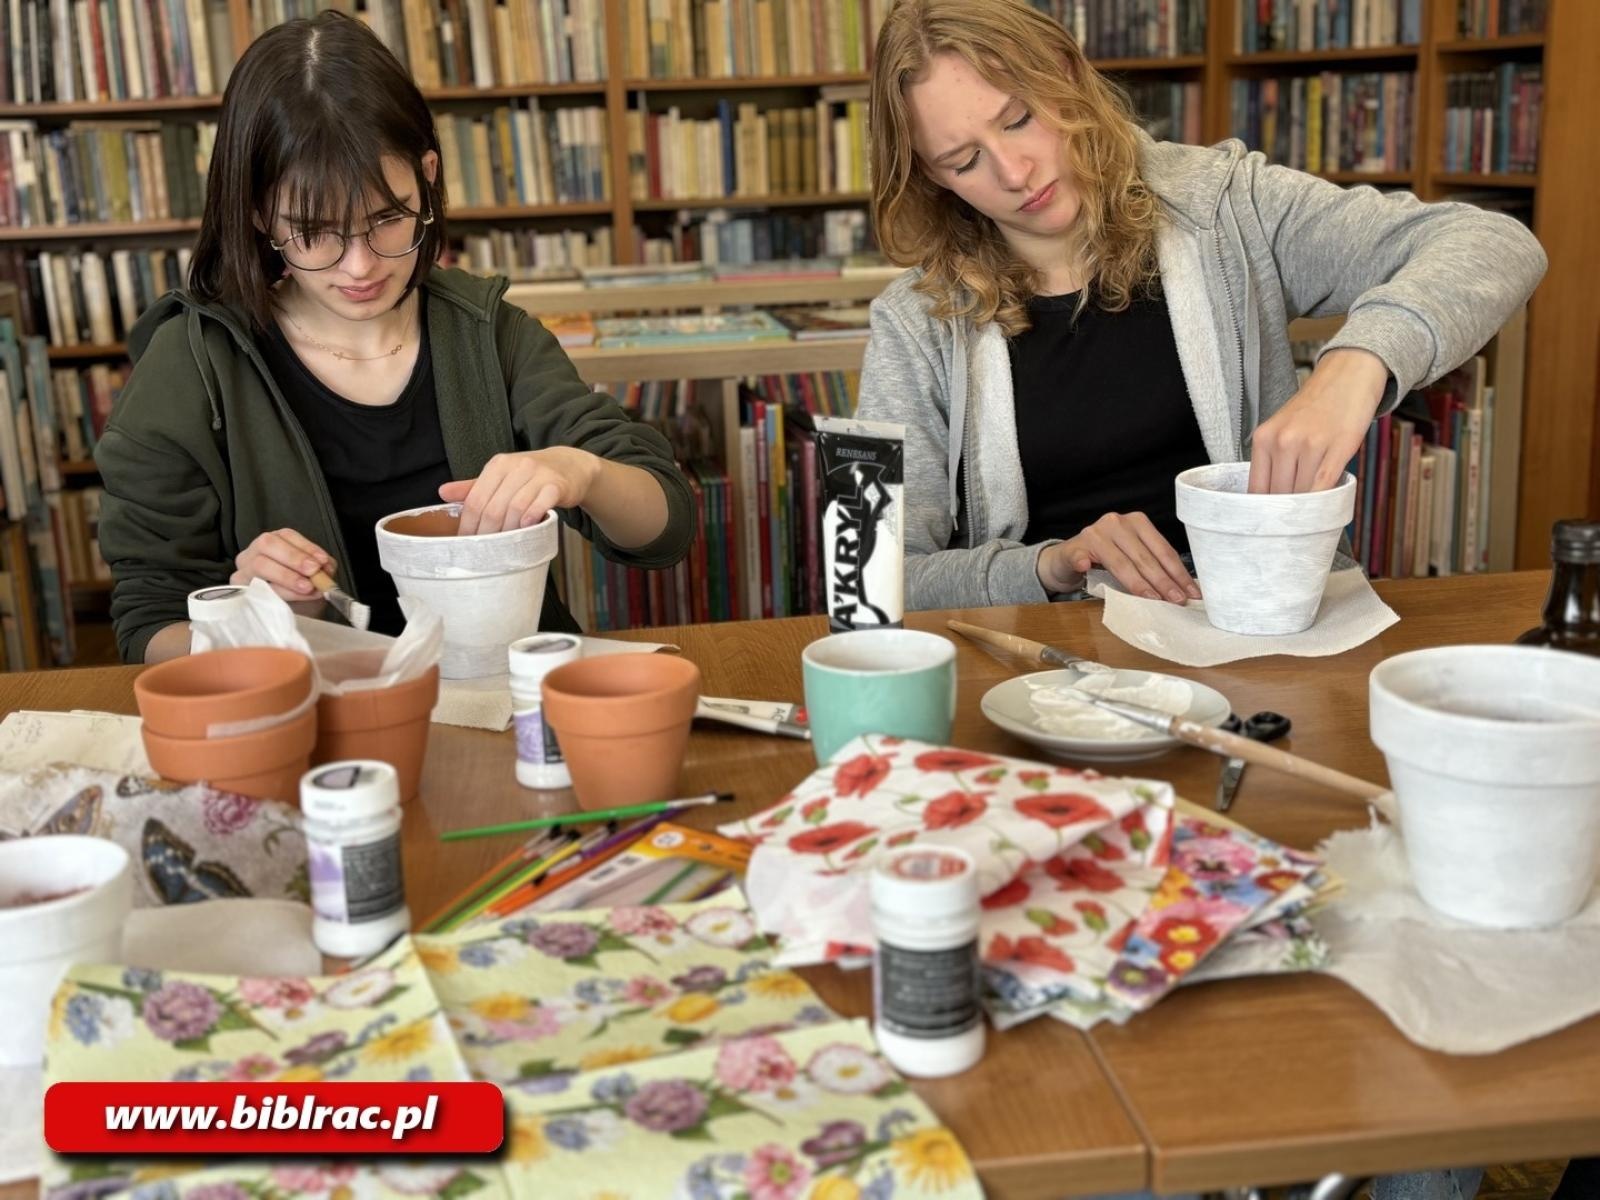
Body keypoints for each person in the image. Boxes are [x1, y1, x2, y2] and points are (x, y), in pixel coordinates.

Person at [856, 0, 1546, 612]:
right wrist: (1048, 565)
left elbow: (1497, 243)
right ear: (929, 176)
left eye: (1019, 119)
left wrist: (1359, 361)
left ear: (1067, 74)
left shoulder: (1228, 207)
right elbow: (865, 578)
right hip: (1045, 663)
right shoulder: (906, 322)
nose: (1014, 173)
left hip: (1260, 629)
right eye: (964, 161)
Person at [95, 11, 694, 664]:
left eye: (387, 217)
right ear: (259, 212)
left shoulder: (489, 332)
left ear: (427, 174)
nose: (360, 267)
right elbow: (147, 623)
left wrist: (582, 471)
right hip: (317, 715)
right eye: (314, 231)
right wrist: (251, 626)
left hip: (511, 697)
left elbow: (665, 528)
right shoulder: (191, 365)